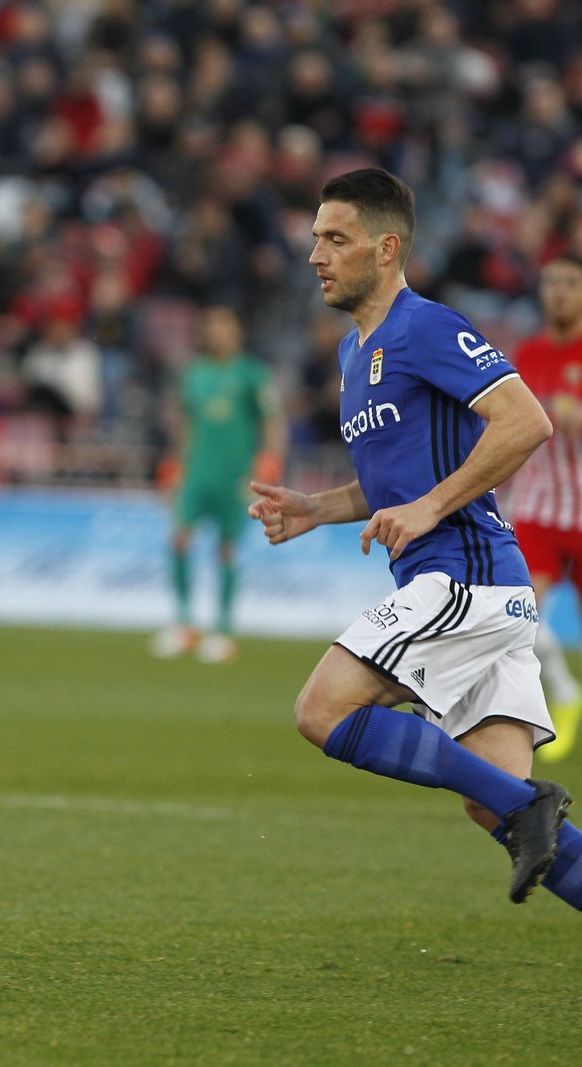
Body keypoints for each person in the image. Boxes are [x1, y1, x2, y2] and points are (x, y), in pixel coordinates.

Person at [249, 167, 581, 910]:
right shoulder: (350, 357)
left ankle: (531, 805)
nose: (316, 255)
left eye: (337, 238)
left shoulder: (424, 325)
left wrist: (433, 506)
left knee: (321, 710)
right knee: (492, 801)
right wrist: (314, 506)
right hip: (487, 593)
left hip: (462, 579)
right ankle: (525, 807)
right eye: (314, 239)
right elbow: (393, 483)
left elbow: (526, 421)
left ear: (387, 248)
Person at [151, 305, 286, 663]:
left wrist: (269, 465)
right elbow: (186, 424)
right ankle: (184, 624)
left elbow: (272, 422)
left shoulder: (253, 374)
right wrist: (175, 465)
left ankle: (224, 629)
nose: (216, 334)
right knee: (179, 539)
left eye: (223, 327)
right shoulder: (194, 373)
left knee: (226, 548)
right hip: (196, 473)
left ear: (236, 331)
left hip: (235, 476)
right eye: (211, 328)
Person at [506, 255, 582, 763]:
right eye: (550, 282)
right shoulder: (526, 353)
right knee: (519, 611)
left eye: (569, 284)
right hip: (535, 505)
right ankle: (565, 692)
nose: (557, 292)